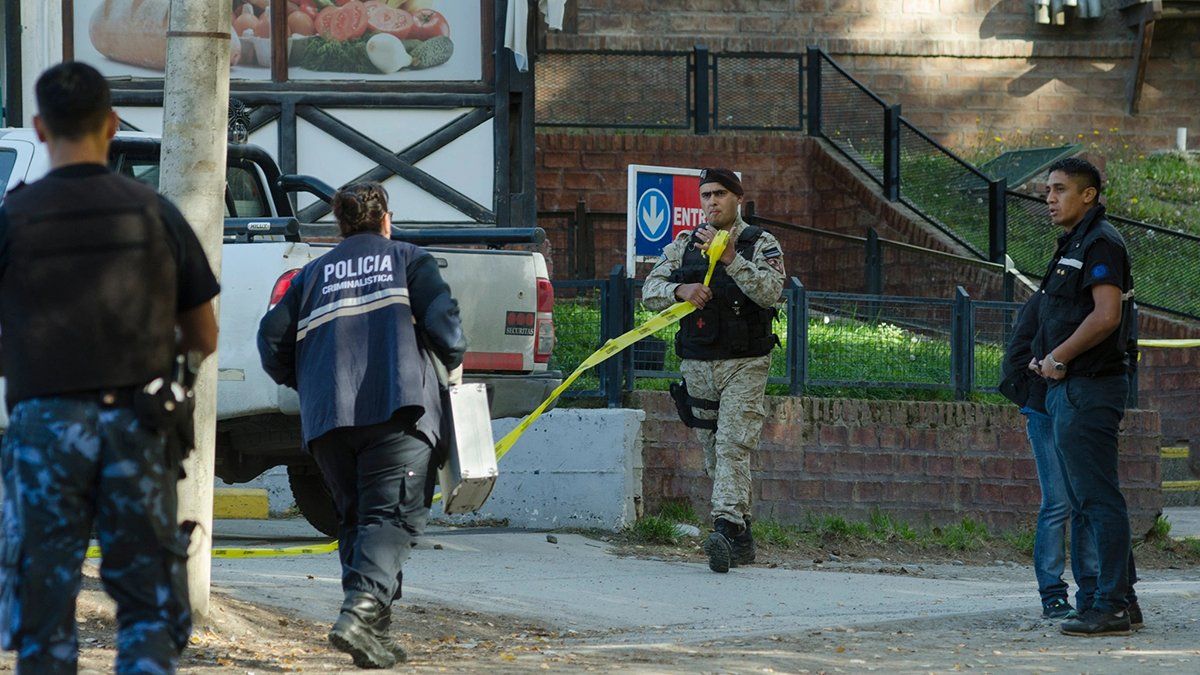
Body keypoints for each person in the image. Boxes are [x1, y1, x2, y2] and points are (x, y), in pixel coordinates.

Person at [0, 62, 220, 673]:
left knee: (42, 610)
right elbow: (204, 332)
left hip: (43, 426)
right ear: (113, 124)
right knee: (148, 608)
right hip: (138, 426)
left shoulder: (12, 218)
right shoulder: (154, 212)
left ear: (41, 128)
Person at [257, 182, 465, 669]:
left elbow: (271, 342)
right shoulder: (409, 258)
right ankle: (357, 613)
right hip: (396, 409)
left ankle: (373, 637)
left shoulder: (309, 275)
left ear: (340, 226)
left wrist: (306, 380)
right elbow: (447, 330)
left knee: (358, 523)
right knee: (391, 519)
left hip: (328, 419)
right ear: (386, 220)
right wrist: (451, 358)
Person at [642, 168, 785, 574]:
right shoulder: (685, 244)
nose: (711, 202)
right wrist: (679, 290)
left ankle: (721, 527)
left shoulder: (760, 243)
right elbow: (649, 291)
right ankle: (742, 535)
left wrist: (731, 260)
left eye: (720, 194)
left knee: (733, 446)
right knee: (712, 454)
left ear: (738, 198)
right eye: (705, 195)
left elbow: (772, 291)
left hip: (746, 362)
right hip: (699, 362)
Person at [1030, 157, 1141, 636]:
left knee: (1097, 500)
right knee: (1086, 500)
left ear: (1088, 194)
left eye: (1058, 190)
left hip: (1089, 387)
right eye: (1047, 191)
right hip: (1069, 388)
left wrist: (1056, 358)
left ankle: (1111, 605)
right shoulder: (1076, 241)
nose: (1049, 199)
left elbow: (1106, 316)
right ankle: (1122, 601)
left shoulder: (1100, 241)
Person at [1000, 293, 1098, 619]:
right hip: (1044, 410)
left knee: (1086, 501)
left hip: (1082, 410)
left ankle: (1093, 591)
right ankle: (1052, 594)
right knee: (1057, 501)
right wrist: (1041, 366)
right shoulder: (1042, 302)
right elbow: (1015, 357)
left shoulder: (1095, 304)